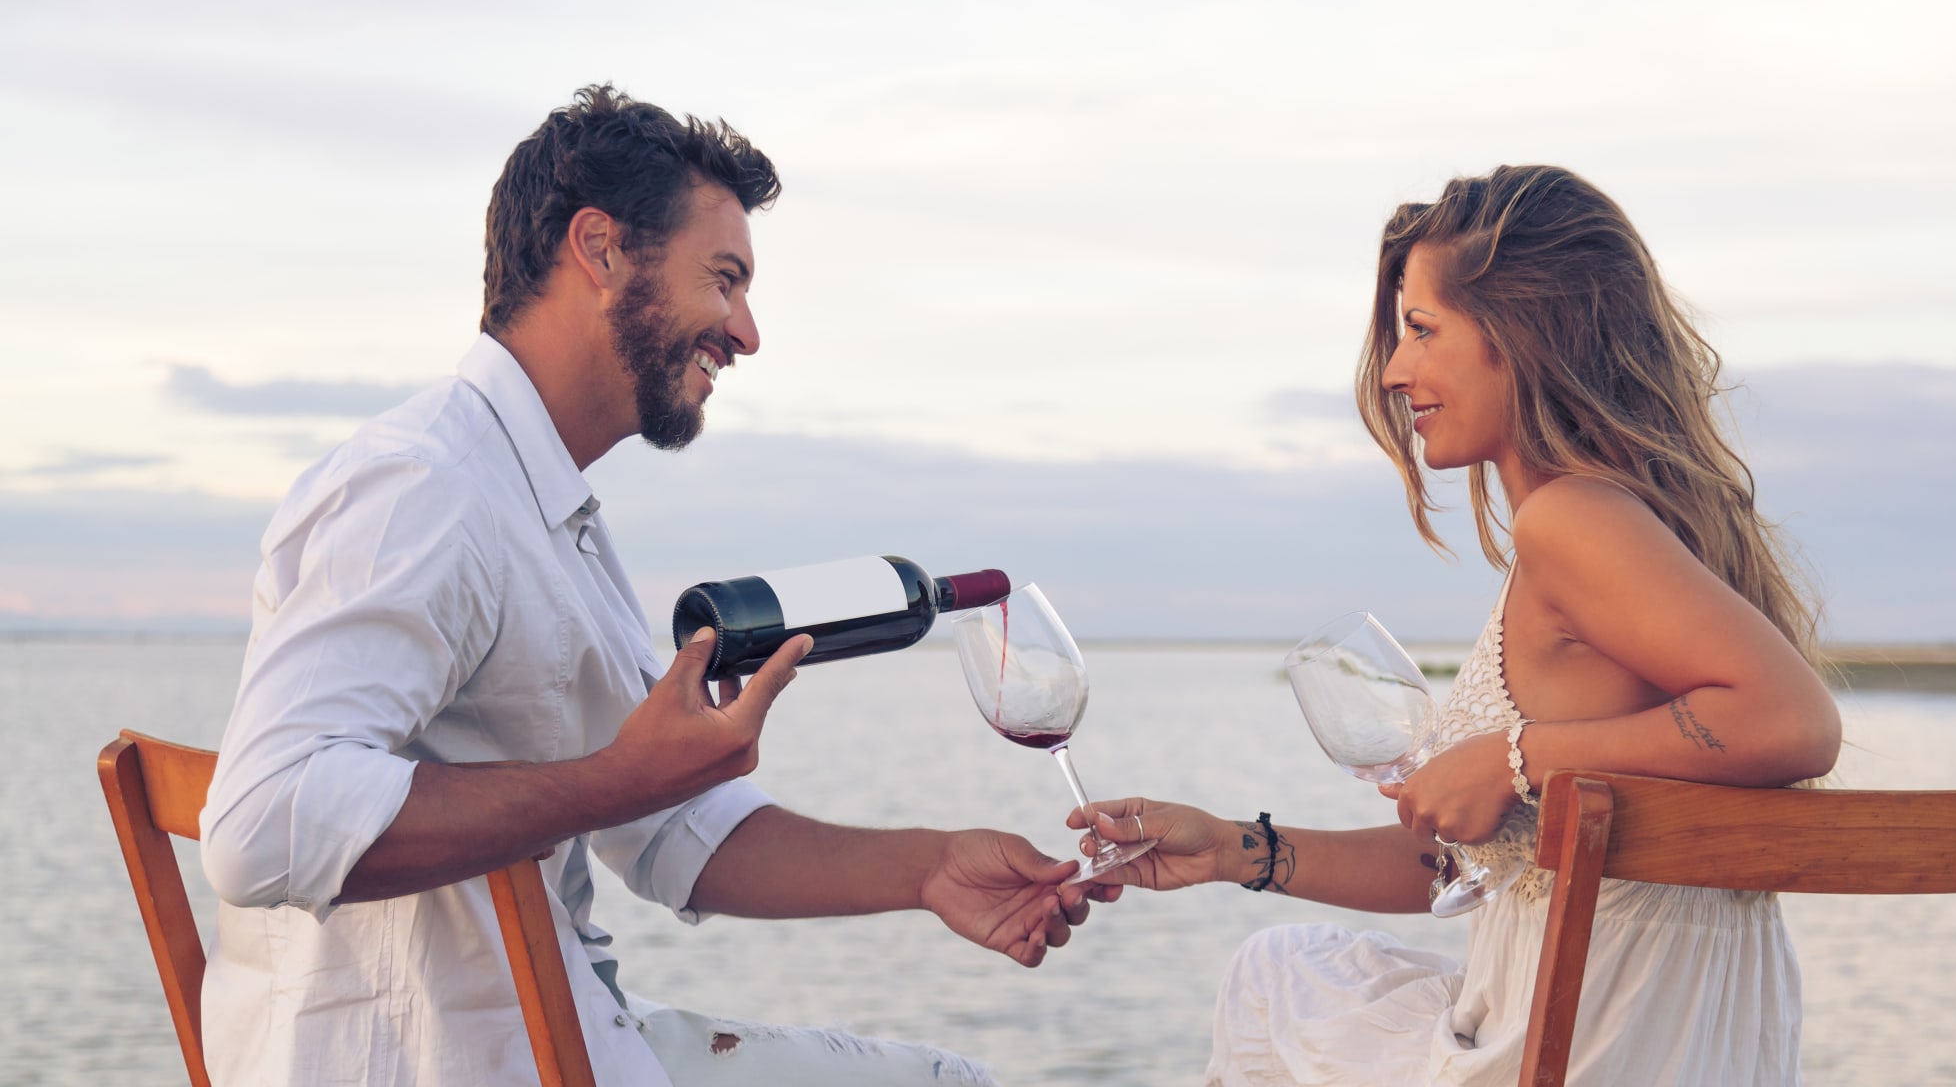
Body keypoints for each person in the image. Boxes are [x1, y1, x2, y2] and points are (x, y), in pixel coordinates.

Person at [196, 84, 1092, 1087]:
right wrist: (617, 778)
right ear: (600, 249)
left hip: (560, 1033)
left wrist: (931, 869)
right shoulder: (425, 486)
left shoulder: (544, 510)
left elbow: (670, 832)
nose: (746, 333)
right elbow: (261, 825)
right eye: (724, 280)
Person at [1073, 166, 1843, 1086]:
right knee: (1289, 972)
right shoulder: (1643, 525)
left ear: (1526, 333)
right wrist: (1240, 850)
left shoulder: (1573, 520)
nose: (1394, 372)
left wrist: (1514, 756)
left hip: (1588, 1046)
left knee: (1276, 977)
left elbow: (1792, 723)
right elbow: (1489, 866)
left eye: (1423, 329)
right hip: (1665, 1042)